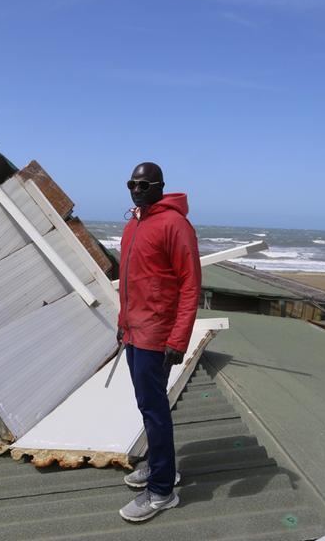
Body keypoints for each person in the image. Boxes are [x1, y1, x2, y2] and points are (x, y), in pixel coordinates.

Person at [116, 161, 201, 522]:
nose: (137, 190)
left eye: (144, 185)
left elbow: (190, 285)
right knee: (146, 405)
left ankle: (163, 490)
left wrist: (179, 339)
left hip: (157, 335)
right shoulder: (134, 223)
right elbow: (130, 280)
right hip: (135, 330)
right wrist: (122, 322)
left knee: (154, 409)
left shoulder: (175, 225)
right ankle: (158, 466)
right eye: (132, 184)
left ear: (160, 186)